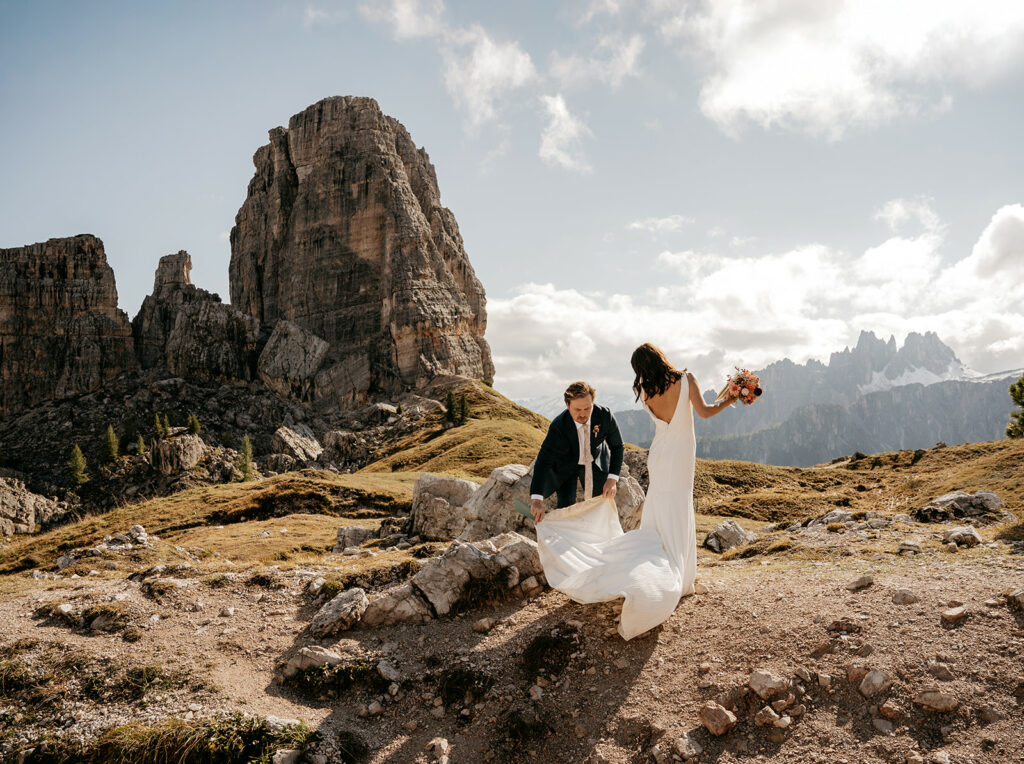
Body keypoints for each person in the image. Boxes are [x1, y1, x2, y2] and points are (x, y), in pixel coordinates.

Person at [534, 343, 737, 640]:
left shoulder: (645, 392)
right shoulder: (686, 379)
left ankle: (664, 556)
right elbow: (704, 413)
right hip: (680, 454)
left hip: (659, 454)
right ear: (662, 358)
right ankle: (682, 572)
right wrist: (729, 396)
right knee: (679, 506)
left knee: (659, 505)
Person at [529, 381, 624, 523]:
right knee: (566, 505)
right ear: (567, 405)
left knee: (599, 502)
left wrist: (612, 479)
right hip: (566, 464)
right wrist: (537, 500)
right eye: (577, 410)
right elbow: (543, 461)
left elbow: (617, 446)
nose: (583, 414)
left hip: (595, 460)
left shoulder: (605, 415)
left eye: (587, 408)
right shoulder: (558, 426)